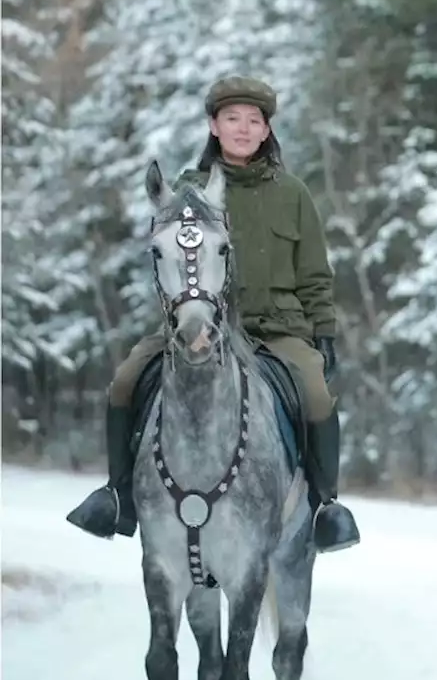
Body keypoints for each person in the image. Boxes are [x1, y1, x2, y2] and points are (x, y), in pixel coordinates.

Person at [65, 76, 361, 553]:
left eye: (253, 121)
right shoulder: (187, 190)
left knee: (317, 396)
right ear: (213, 126)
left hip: (278, 329)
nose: (243, 129)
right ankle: (118, 495)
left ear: (266, 131)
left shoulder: (294, 194)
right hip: (195, 326)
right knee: (124, 381)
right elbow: (167, 260)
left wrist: (322, 333)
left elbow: (314, 276)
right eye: (232, 119)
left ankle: (327, 507)